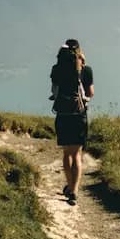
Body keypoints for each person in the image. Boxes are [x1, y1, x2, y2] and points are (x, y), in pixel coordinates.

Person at [50, 39, 94, 206]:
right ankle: (74, 191)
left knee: (67, 154)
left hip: (63, 115)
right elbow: (90, 93)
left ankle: (69, 185)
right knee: (77, 154)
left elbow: (54, 91)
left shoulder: (56, 69)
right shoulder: (86, 70)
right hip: (79, 116)